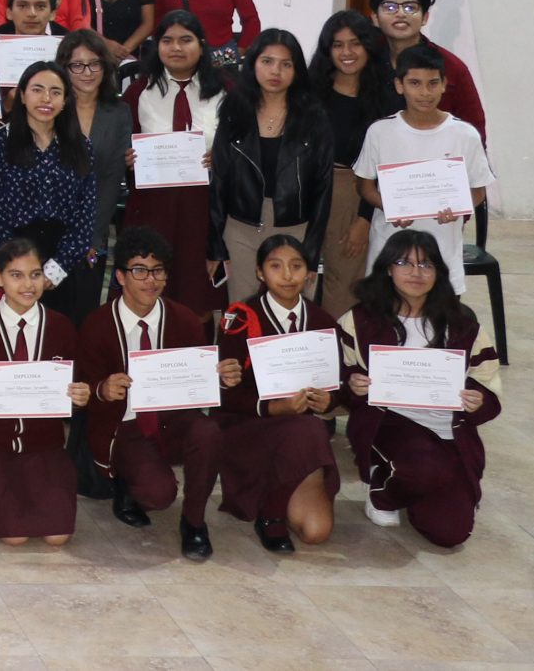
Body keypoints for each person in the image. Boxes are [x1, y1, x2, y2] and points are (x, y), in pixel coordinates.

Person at [336, 229, 499, 547]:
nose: (416, 273)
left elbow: (489, 386)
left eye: (426, 265)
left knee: (451, 533)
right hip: (389, 423)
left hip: (450, 431)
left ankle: (414, 484)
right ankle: (384, 491)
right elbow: (340, 378)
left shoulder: (463, 325)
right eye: (404, 263)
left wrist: (480, 401)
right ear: (387, 268)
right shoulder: (359, 320)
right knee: (424, 468)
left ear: (439, 272)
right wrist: (352, 385)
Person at [80, 225, 232, 560]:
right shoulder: (98, 325)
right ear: (120, 276)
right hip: (127, 426)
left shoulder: (187, 321)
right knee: (157, 494)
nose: (151, 280)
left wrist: (219, 377)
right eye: (139, 271)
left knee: (208, 433)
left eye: (158, 271)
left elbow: (200, 383)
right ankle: (126, 484)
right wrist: (103, 389)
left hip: (175, 420)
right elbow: (83, 391)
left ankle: (194, 523)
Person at [0, 236, 92, 546]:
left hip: (44, 444)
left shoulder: (61, 327)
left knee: (57, 536)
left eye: (35, 274)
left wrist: (81, 396)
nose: (28, 284)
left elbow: (77, 388)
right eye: (16, 275)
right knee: (14, 536)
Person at [214, 232, 340, 552]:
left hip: (300, 435)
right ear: (260, 272)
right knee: (310, 426)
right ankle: (271, 514)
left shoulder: (323, 322)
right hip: (249, 426)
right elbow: (225, 395)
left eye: (296, 266)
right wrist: (272, 409)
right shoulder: (239, 318)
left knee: (316, 531)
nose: (287, 275)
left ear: (310, 274)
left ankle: (276, 501)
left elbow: (338, 387)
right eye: (276, 266)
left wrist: (331, 399)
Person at [208, 28, 333, 301]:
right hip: (241, 226)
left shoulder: (314, 117)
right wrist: (215, 243)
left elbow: (324, 187)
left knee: (293, 315)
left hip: (296, 226)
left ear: (297, 70)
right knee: (244, 312)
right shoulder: (234, 110)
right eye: (267, 61)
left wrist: (311, 251)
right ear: (253, 64)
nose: (276, 71)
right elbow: (219, 180)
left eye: (286, 64)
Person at [354, 44, 491, 290]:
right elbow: (365, 186)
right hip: (388, 249)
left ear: (444, 84)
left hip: (443, 253)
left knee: (438, 326)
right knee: (385, 325)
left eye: (432, 83)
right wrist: (388, 205)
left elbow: (478, 190)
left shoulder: (465, 135)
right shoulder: (380, 132)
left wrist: (460, 207)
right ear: (399, 85)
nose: (425, 92)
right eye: (415, 83)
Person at [120, 11, 229, 317]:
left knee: (197, 289)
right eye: (167, 40)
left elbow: (239, 147)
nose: (176, 48)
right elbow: (122, 143)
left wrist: (221, 160)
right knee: (151, 283)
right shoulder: (139, 90)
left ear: (202, 45)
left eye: (186, 40)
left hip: (204, 207)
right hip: (153, 206)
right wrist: (127, 159)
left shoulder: (224, 90)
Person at [0, 62, 97, 322]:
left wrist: (55, 270)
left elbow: (85, 214)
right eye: (37, 90)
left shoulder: (81, 146)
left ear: (66, 100)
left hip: (63, 261)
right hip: (12, 254)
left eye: (56, 92)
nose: (46, 99)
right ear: (22, 95)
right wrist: (18, 271)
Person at [310, 9, 398, 314]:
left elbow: (383, 165)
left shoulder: (387, 98)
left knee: (345, 280)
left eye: (355, 43)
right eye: (337, 45)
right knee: (299, 275)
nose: (346, 52)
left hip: (355, 193)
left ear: (369, 47)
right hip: (306, 189)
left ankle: (343, 352)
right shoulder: (310, 92)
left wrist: (364, 218)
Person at [56, 28, 132, 305]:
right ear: (64, 68)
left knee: (85, 310)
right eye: (77, 65)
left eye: (94, 63)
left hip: (93, 233)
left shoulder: (119, 112)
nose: (87, 72)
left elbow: (112, 180)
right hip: (49, 232)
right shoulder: (51, 108)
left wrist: (92, 236)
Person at [365, 0, 487, 141]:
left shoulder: (451, 67)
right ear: (375, 18)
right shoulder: (363, 60)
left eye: (410, 7)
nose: (400, 14)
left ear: (425, 18)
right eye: (390, 7)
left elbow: (474, 131)